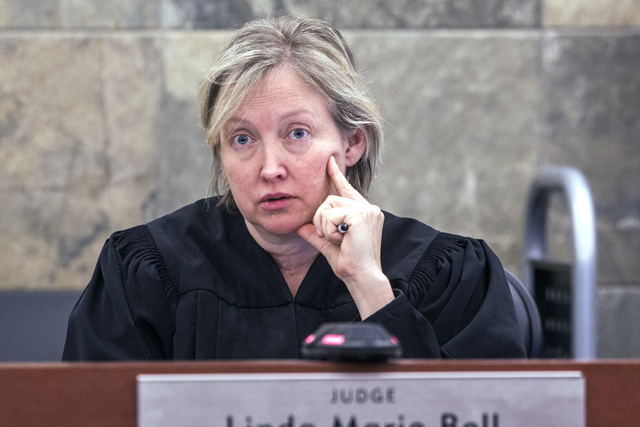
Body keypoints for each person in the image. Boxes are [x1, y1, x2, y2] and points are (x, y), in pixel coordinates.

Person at [62, 15, 526, 360]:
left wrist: (369, 286)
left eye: (297, 133)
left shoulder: (449, 274)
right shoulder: (146, 272)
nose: (270, 168)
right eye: (242, 139)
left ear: (352, 143)